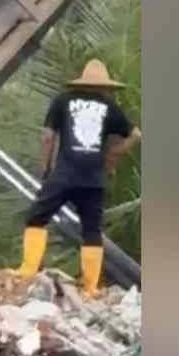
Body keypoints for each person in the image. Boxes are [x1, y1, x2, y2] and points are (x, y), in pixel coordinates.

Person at [14, 59, 142, 299]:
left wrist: (45, 168)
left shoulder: (63, 101)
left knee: (37, 219)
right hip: (93, 179)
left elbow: (47, 137)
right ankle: (90, 288)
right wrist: (115, 152)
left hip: (64, 175)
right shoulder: (110, 106)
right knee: (91, 231)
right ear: (104, 86)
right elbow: (136, 135)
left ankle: (28, 269)